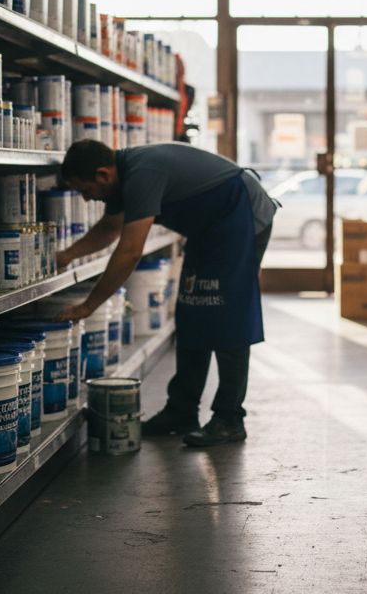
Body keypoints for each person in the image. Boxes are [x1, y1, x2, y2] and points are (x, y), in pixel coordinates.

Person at [55, 139, 276, 447]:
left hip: (242, 214)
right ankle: (181, 412)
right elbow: (109, 229)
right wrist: (66, 255)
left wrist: (89, 305)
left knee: (228, 317)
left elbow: (130, 251)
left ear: (103, 175)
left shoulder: (142, 174)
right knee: (192, 310)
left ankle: (229, 419)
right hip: (210, 228)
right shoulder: (122, 180)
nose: (88, 198)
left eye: (86, 190)